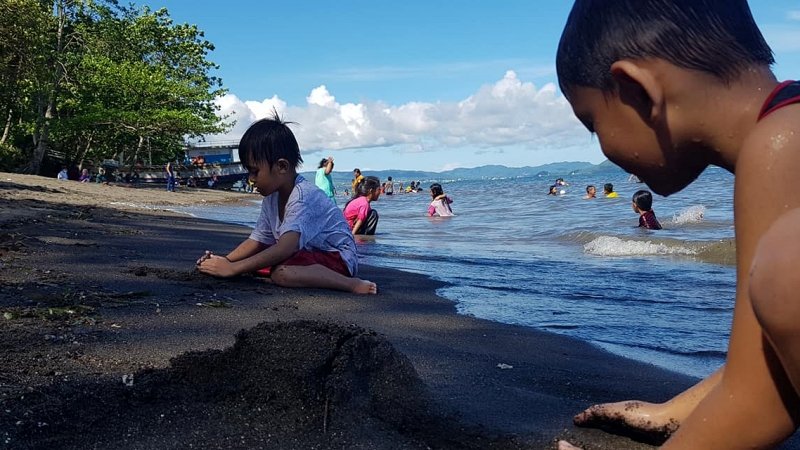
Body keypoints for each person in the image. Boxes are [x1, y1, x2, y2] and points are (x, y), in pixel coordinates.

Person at [555, 1, 800, 449]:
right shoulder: (787, 121)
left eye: (592, 123)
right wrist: (672, 413)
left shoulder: (780, 143)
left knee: (786, 267)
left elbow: (760, 402)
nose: (601, 144)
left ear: (638, 92)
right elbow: (765, 363)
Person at [196, 113, 376, 295]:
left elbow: (285, 248)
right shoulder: (271, 197)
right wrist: (226, 261)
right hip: (306, 254)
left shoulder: (303, 196)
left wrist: (232, 269)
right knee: (259, 262)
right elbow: (258, 240)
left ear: (282, 167)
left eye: (255, 172)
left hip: (338, 257)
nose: (251, 179)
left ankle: (351, 284)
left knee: (281, 273)